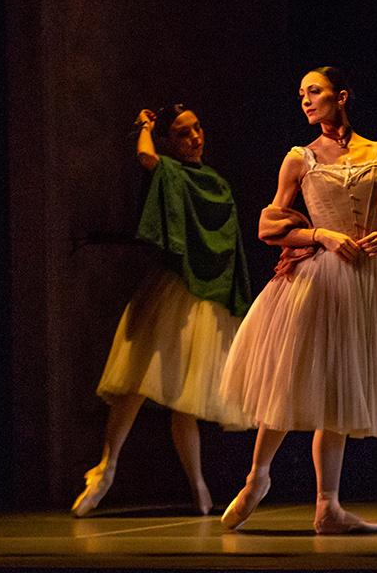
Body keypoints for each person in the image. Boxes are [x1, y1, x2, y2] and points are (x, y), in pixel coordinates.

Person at [219, 67, 377, 534]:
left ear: (342, 95)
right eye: (300, 95)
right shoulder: (300, 158)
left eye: (314, 91)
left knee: (338, 392)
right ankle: (258, 477)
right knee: (288, 378)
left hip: (368, 282)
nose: (306, 101)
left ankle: (328, 506)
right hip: (318, 278)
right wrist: (323, 235)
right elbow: (271, 224)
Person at [72, 105, 254, 517]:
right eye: (183, 133)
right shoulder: (172, 172)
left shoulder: (217, 184)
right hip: (172, 294)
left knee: (185, 401)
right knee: (137, 381)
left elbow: (226, 246)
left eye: (197, 128)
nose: (194, 137)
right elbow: (147, 159)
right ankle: (107, 467)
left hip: (203, 302)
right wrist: (145, 127)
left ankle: (199, 488)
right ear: (171, 141)